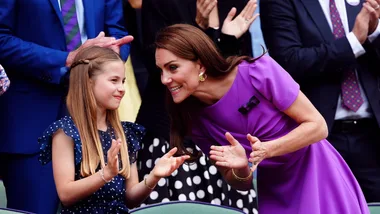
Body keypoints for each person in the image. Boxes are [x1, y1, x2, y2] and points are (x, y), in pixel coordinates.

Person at [154, 24, 370, 214]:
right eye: (160, 70)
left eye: (172, 67)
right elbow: (241, 184)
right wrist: (240, 168)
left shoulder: (257, 72)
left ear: (200, 64)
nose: (165, 79)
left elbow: (318, 126)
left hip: (317, 175)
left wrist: (266, 150)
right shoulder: (194, 116)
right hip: (274, 191)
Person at [0, 1, 132, 213]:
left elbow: (117, 32)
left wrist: (113, 53)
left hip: (94, 125)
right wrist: (67, 59)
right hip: (31, 119)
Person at [136, 1, 258, 213]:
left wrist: (227, 40)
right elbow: (159, 71)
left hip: (222, 133)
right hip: (171, 134)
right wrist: (196, 28)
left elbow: (236, 70)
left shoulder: (235, 4)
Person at [38, 46, 190, 213]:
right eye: (114, 80)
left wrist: (154, 176)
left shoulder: (125, 133)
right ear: (89, 81)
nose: (122, 88)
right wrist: (106, 174)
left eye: (123, 81)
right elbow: (66, 195)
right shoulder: (66, 132)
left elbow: (131, 199)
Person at [260, 0, 380, 202]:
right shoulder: (280, 2)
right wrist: (352, 42)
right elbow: (288, 62)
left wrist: (375, 32)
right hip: (319, 139)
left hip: (372, 137)